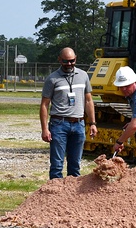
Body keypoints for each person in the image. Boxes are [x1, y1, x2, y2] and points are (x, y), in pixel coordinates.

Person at [40, 47, 97, 179]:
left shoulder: (83, 76)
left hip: (79, 124)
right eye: (65, 61)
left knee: (75, 165)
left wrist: (93, 123)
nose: (69, 64)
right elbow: (44, 105)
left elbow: (88, 100)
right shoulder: (52, 79)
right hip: (59, 124)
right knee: (57, 165)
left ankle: (71, 197)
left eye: (72, 61)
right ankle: (55, 195)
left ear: (75, 58)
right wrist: (44, 129)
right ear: (59, 60)